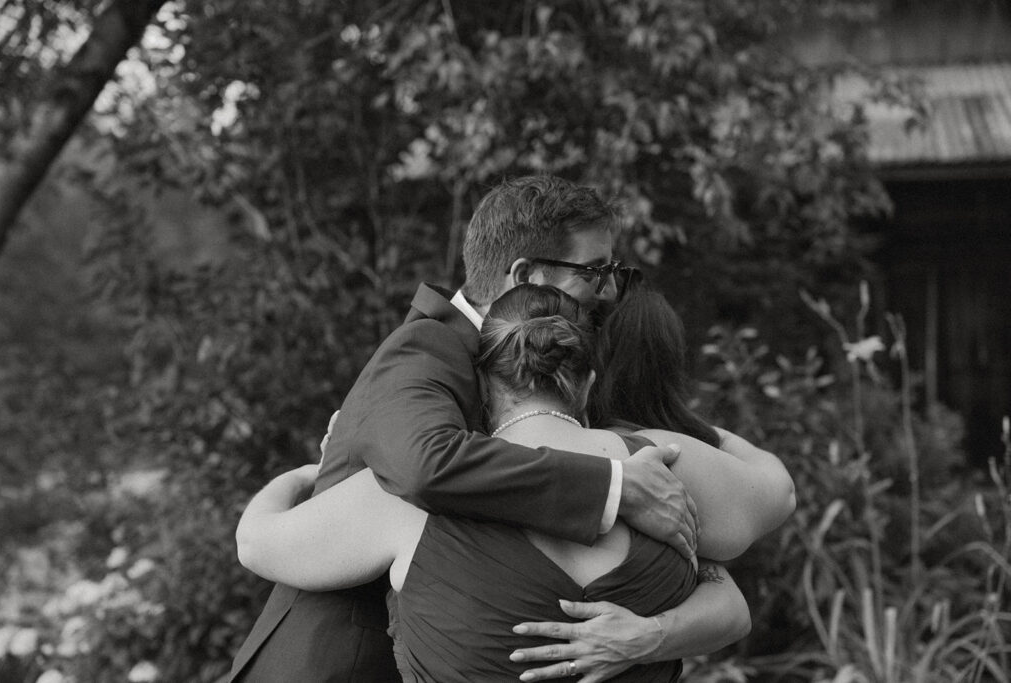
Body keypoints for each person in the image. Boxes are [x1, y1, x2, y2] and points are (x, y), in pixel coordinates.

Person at [228, 176, 793, 681]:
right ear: (524, 276)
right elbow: (427, 466)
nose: (608, 292)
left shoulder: (518, 387)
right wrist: (614, 486)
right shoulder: (423, 351)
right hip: (334, 663)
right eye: (595, 273)